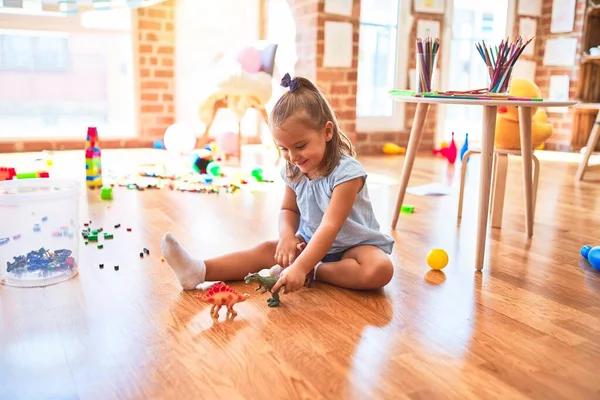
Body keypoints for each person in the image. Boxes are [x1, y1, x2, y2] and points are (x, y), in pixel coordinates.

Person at [161, 73, 395, 295]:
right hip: (309, 243)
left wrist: (302, 267)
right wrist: (287, 237)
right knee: (266, 250)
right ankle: (199, 270)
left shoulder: (347, 173)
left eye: (300, 146)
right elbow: (288, 209)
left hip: (353, 248)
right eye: (283, 148)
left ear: (327, 131)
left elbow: (330, 226)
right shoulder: (295, 169)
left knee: (380, 270)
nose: (293, 157)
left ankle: (315, 272)